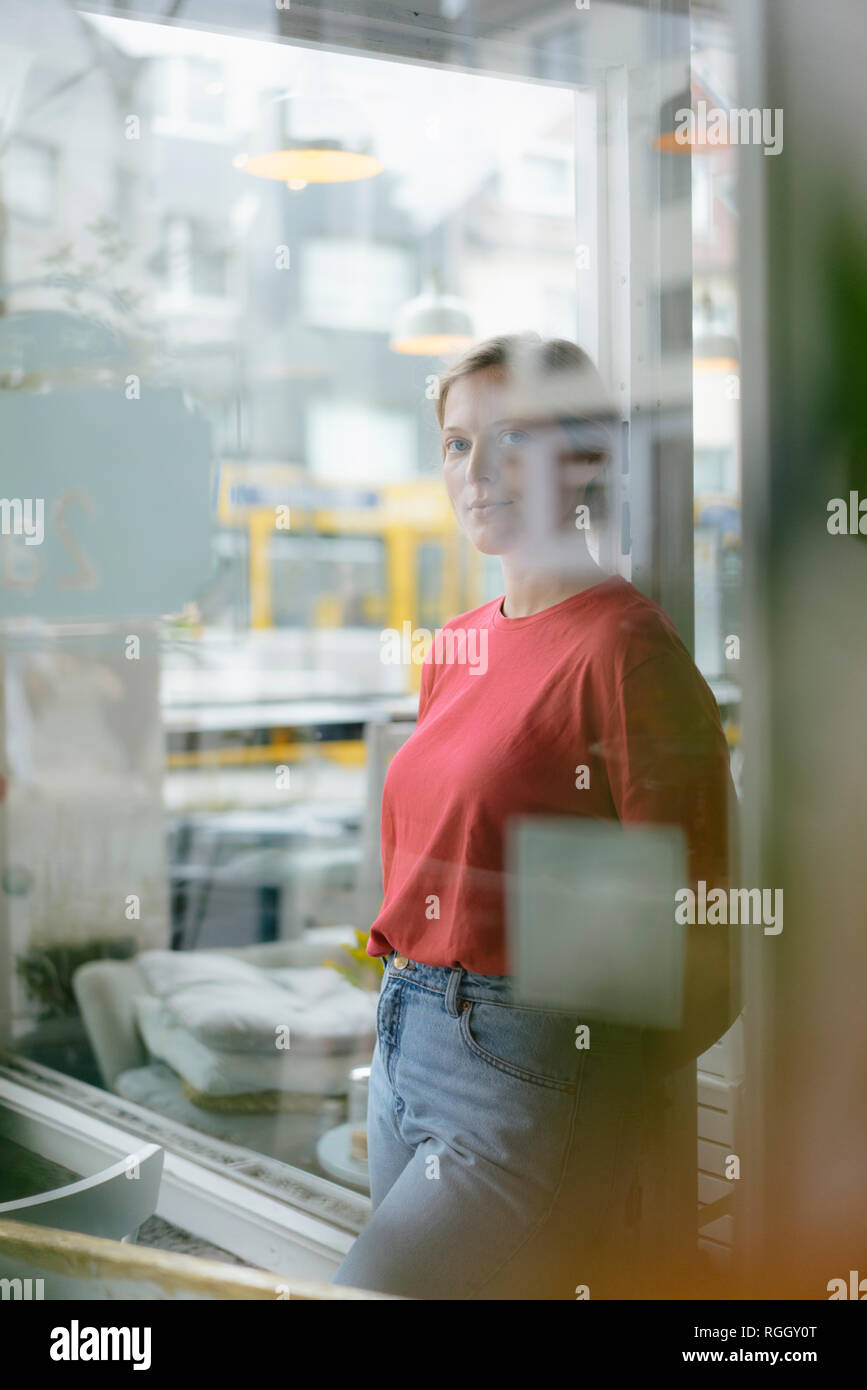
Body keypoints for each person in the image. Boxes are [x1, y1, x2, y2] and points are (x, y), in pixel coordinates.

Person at [333, 333, 738, 1300]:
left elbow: (705, 934)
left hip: (518, 1063)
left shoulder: (625, 650)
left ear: (587, 458)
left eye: (512, 439)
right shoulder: (456, 647)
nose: (476, 473)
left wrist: (578, 1080)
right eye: (457, 443)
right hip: (403, 1034)